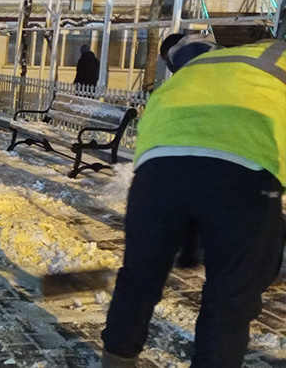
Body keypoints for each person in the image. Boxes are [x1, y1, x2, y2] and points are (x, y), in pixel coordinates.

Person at [101, 35, 286, 368]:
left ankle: (116, 359)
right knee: (230, 295)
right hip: (244, 171)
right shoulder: (274, 62)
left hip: (158, 166)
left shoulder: (209, 62)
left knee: (139, 276)